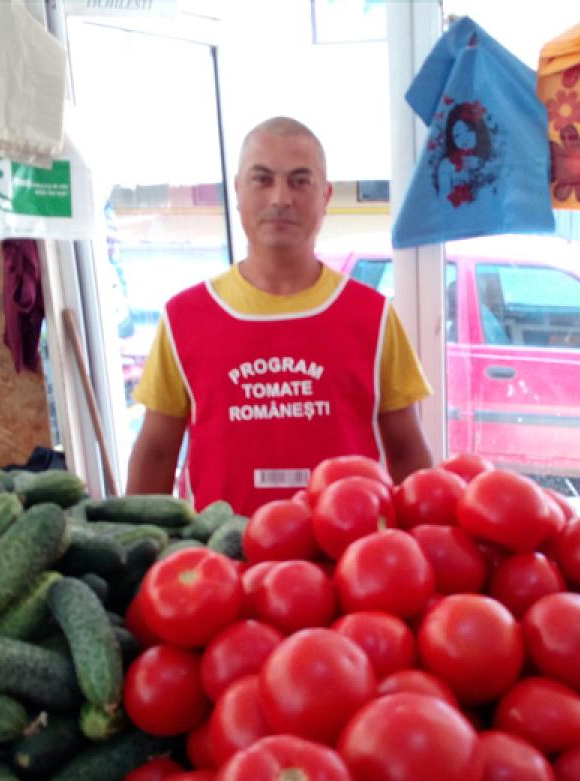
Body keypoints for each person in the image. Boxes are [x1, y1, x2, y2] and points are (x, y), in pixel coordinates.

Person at [126, 116, 434, 514]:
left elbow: (407, 451)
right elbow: (156, 451)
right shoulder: (184, 318)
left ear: (325, 196)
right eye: (262, 179)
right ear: (238, 191)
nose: (280, 198)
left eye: (299, 181)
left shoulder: (373, 317)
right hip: (219, 550)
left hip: (349, 547)